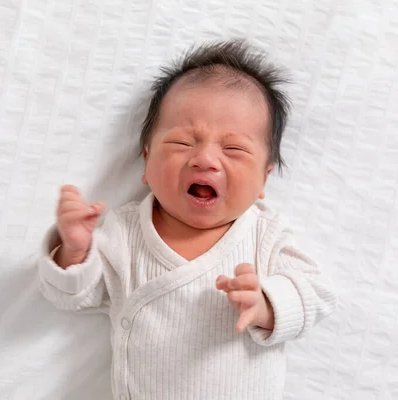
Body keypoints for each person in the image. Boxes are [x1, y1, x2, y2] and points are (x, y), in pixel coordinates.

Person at [38, 38, 338, 400]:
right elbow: (71, 296)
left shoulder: (264, 233)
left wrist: (267, 304)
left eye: (234, 149)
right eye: (182, 143)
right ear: (146, 162)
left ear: (264, 179)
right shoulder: (126, 232)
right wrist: (74, 251)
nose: (206, 159)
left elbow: (317, 293)